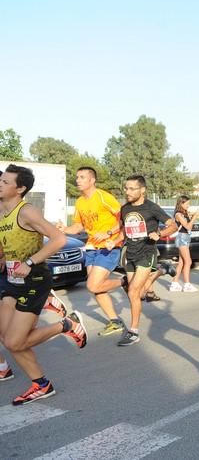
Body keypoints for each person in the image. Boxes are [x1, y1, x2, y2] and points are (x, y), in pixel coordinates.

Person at [0, 164, 87, 405]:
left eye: (5, 182)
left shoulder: (27, 211)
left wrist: (30, 261)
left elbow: (58, 239)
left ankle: (66, 325)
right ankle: (41, 385)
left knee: (15, 341)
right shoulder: (2, 212)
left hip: (34, 280)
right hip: (12, 280)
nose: (0, 183)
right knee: (6, 338)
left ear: (20, 189)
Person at [57, 166, 126, 337]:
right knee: (96, 289)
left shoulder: (104, 197)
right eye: (77, 177)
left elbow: (124, 218)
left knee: (93, 285)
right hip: (91, 247)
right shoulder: (80, 201)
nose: (77, 180)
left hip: (108, 246)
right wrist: (64, 228)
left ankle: (126, 281)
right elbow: (79, 226)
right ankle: (115, 321)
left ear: (92, 180)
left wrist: (111, 234)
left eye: (82, 177)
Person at [117, 175, 179, 346]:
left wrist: (159, 234)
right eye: (125, 188)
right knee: (137, 293)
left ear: (142, 190)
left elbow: (173, 225)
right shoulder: (125, 209)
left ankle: (133, 331)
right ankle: (163, 269)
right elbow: (125, 231)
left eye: (131, 189)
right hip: (130, 253)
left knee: (133, 292)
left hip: (146, 252)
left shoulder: (152, 208)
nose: (127, 192)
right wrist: (111, 239)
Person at [170, 196, 199, 293]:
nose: (188, 205)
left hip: (185, 238)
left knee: (182, 262)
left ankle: (174, 283)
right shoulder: (178, 214)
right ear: (181, 204)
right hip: (182, 238)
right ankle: (187, 284)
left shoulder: (184, 213)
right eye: (187, 204)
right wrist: (194, 217)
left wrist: (191, 216)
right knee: (188, 261)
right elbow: (188, 227)